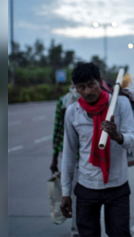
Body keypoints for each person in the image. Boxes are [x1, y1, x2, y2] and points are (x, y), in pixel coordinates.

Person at [60, 62, 134, 237]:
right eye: (82, 87)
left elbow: (133, 140)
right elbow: (69, 154)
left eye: (91, 85)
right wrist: (66, 193)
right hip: (86, 186)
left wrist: (118, 136)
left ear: (100, 82)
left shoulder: (120, 103)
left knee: (120, 233)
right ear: (76, 88)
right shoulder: (73, 112)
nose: (88, 91)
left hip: (117, 186)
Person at [50, 85, 80, 236]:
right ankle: (76, 229)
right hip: (69, 155)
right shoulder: (64, 102)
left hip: (89, 157)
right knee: (72, 193)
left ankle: (82, 227)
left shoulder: (92, 101)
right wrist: (55, 157)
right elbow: (58, 130)